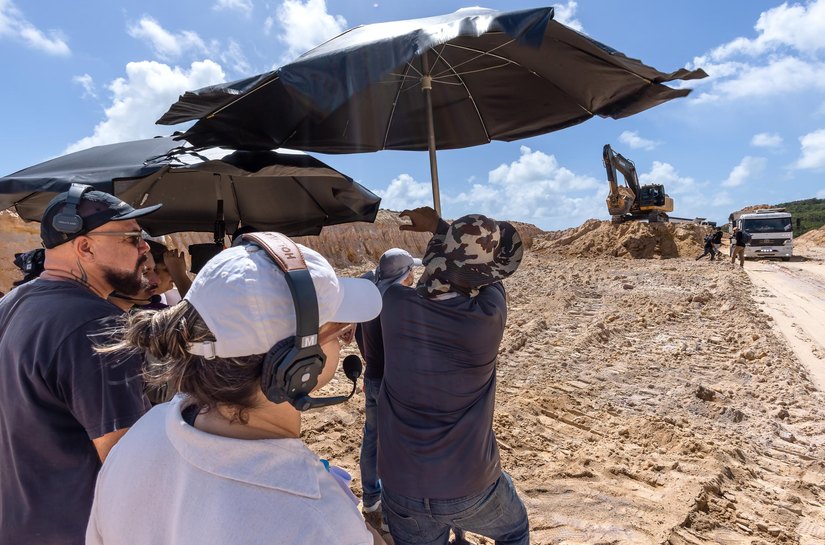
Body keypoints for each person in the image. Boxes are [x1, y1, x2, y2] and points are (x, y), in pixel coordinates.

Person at [86, 233, 385, 545]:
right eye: (340, 332)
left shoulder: (142, 434)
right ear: (299, 364)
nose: (344, 340)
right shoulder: (319, 524)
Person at [0, 184, 160, 545]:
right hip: (81, 531)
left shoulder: (14, 303)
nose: (145, 247)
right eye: (132, 238)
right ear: (84, 247)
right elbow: (129, 466)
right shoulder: (96, 325)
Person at [377, 207, 530, 545]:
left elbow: (425, 279)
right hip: (469, 484)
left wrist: (440, 232)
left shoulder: (393, 306)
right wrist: (440, 228)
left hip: (401, 483)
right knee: (514, 530)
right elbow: (485, 277)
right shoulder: (489, 317)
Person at [355, 248, 420, 533]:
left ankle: (371, 501)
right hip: (393, 384)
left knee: (372, 440)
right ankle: (396, 512)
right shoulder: (400, 302)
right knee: (398, 448)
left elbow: (359, 335)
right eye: (411, 272)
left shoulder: (371, 297)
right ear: (405, 276)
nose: (414, 277)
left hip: (372, 377)